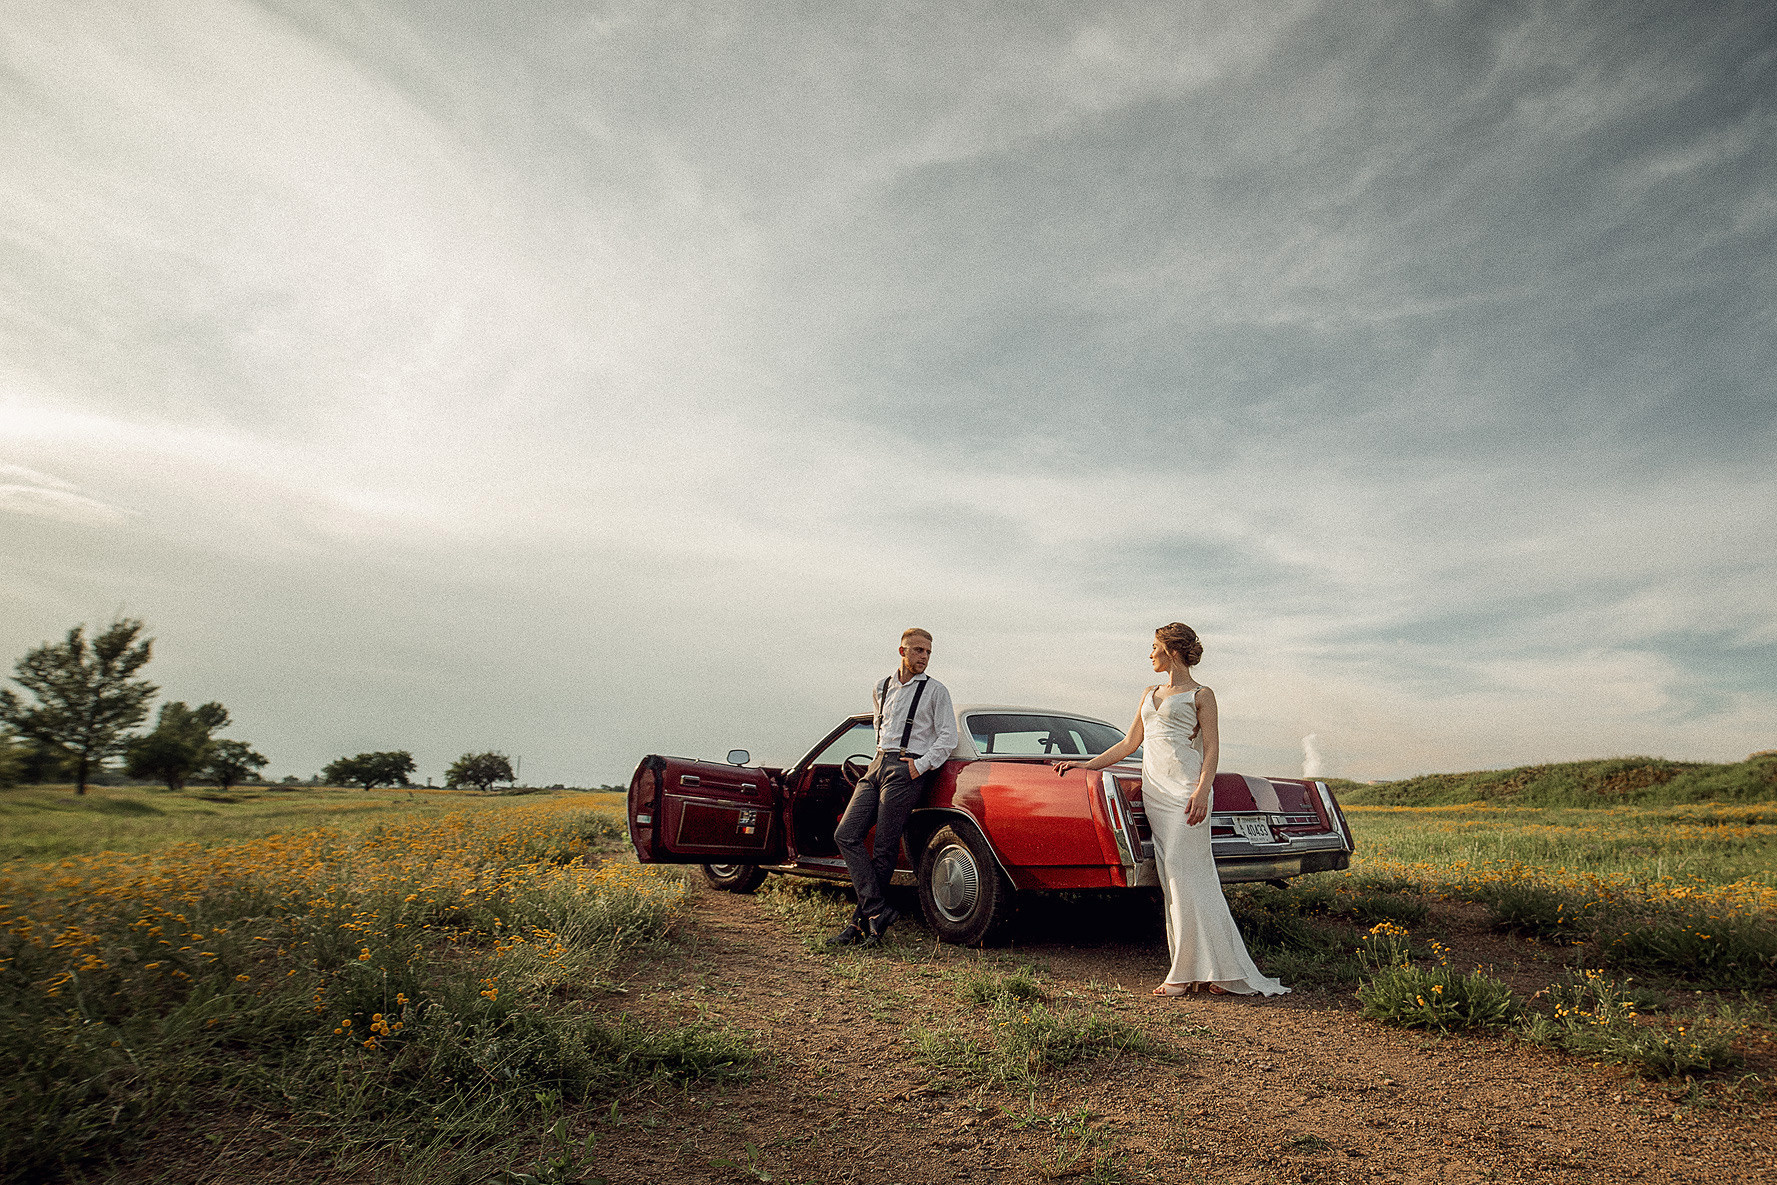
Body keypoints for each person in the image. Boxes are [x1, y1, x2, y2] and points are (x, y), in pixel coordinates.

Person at [1055, 623, 1288, 997]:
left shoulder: (1202, 694)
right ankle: (1212, 971)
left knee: (1185, 877)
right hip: (1156, 792)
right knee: (1175, 878)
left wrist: (1201, 791)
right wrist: (1087, 766)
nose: (1150, 654)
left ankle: (1187, 973)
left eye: (1154, 647)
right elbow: (1130, 744)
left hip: (1186, 790)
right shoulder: (1149, 693)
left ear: (1172, 651)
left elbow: (1211, 748)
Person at [827, 627, 957, 948]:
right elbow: (879, 726)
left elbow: (947, 738)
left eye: (928, 652)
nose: (923, 657)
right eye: (917, 651)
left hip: (906, 769)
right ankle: (876, 910)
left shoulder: (936, 691)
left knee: (885, 849)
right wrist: (880, 759)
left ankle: (860, 928)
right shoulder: (881, 687)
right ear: (902, 651)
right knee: (846, 833)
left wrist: (918, 766)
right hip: (877, 763)